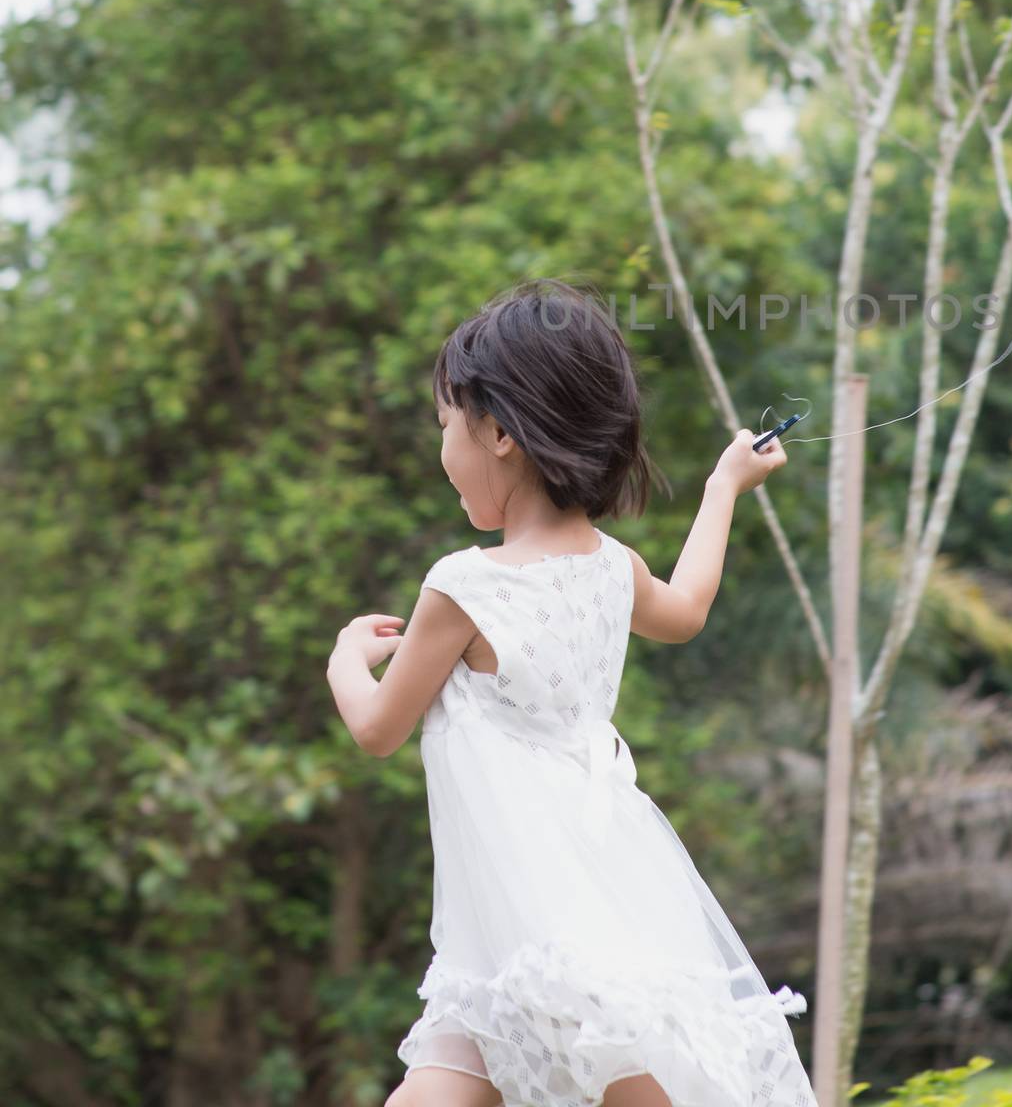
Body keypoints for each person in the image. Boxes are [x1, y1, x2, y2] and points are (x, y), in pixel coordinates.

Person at [325, 278, 815, 1107]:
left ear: (500, 433)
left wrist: (344, 656)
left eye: (446, 425)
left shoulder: (461, 586)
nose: (442, 450)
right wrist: (722, 487)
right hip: (576, 912)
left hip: (546, 929)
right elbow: (688, 607)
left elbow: (376, 728)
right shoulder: (611, 566)